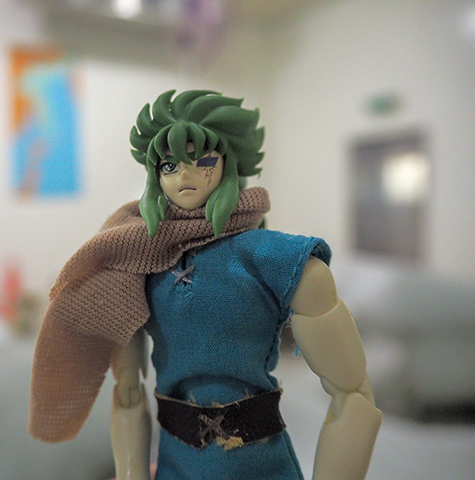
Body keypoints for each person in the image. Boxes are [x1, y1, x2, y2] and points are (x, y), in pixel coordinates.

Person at [29, 90, 381, 480]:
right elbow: (128, 395)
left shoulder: (276, 258)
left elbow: (353, 395)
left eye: (203, 160)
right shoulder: (134, 263)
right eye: (169, 165)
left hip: (258, 465)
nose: (185, 175)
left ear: (229, 164)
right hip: (175, 464)